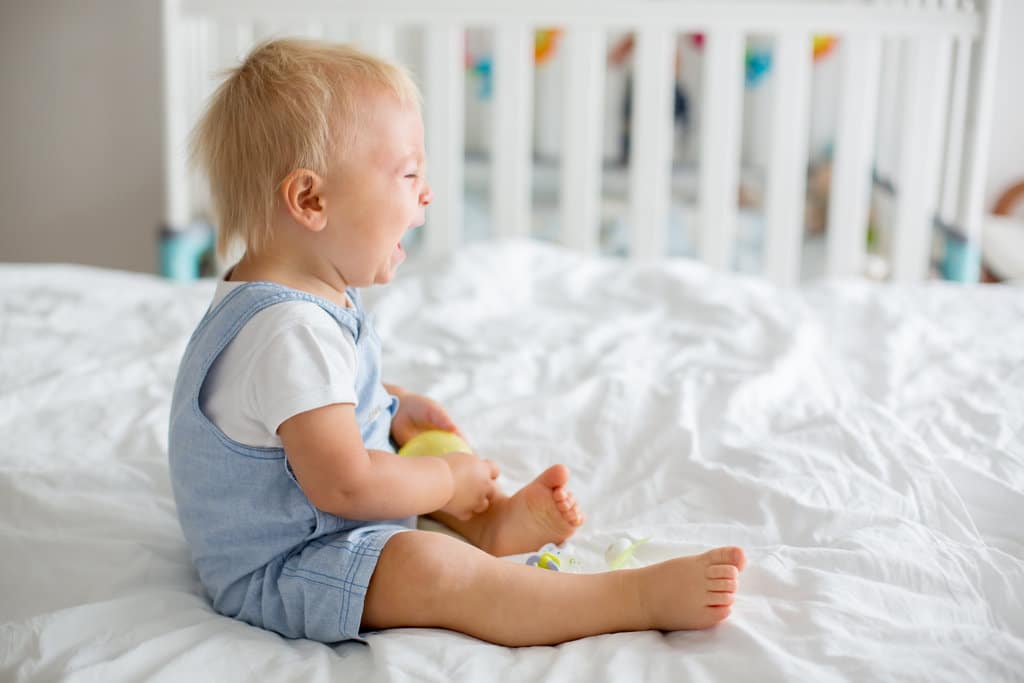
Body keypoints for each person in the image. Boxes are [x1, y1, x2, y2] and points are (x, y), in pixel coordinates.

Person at [168, 38, 745, 647]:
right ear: (311, 200)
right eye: (409, 173)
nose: (427, 193)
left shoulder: (284, 296)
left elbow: (291, 404)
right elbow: (347, 487)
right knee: (434, 569)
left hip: (309, 514)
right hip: (282, 567)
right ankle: (631, 596)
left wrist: (388, 404)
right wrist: (445, 478)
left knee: (403, 451)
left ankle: (491, 523)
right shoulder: (289, 330)